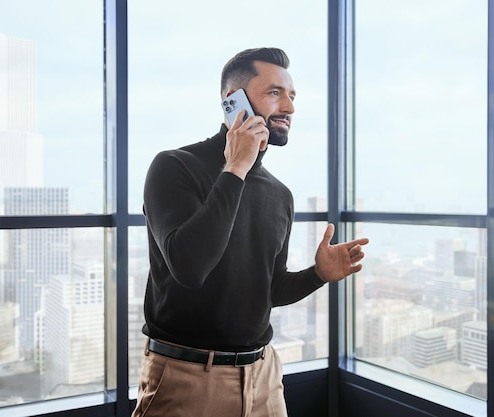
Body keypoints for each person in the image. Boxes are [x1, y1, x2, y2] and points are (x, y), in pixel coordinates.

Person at [132, 47, 369, 417]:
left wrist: (318, 275)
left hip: (264, 378)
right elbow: (189, 267)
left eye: (291, 96)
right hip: (188, 379)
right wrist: (236, 167)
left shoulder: (279, 195)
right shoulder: (173, 166)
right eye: (275, 93)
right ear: (233, 102)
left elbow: (268, 290)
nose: (288, 107)